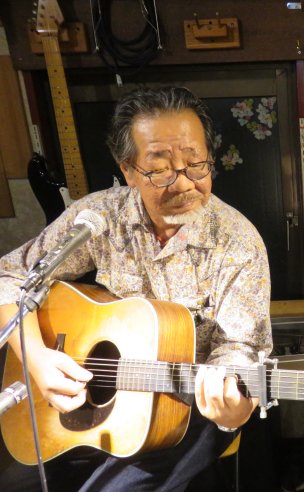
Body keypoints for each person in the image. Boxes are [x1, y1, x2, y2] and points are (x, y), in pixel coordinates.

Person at [0, 86, 272, 491]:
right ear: (128, 170)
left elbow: (240, 352)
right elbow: (10, 278)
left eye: (196, 164)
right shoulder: (98, 218)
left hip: (185, 409)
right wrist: (37, 358)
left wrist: (233, 411)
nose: (184, 184)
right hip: (85, 400)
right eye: (159, 169)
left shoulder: (238, 242)